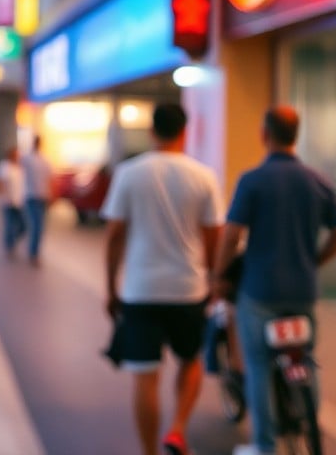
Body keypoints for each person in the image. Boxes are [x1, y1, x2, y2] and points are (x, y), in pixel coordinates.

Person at [214, 106, 336, 455]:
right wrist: (315, 260)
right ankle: (310, 426)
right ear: (296, 135)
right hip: (303, 292)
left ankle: (264, 444)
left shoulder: (253, 180)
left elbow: (231, 236)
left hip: (260, 293)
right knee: (305, 357)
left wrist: (218, 276)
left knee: (259, 364)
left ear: (265, 134)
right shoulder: (318, 180)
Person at [101, 104, 225, 455]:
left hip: (140, 291)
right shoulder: (204, 176)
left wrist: (111, 288)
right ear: (185, 132)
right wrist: (213, 278)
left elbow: (114, 236)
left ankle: (149, 452)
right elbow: (214, 234)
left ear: (153, 132)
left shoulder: (129, 173)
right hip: (189, 289)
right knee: (190, 360)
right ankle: (177, 429)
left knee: (145, 376)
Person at [23, 136, 54, 266]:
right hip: (32, 196)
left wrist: (51, 194)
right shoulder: (28, 159)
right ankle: (33, 252)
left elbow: (50, 179)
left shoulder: (42, 160)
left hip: (40, 197)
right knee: (37, 226)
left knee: (38, 226)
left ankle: (34, 252)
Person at [0, 146, 27, 257]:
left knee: (23, 225)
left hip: (20, 201)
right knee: (9, 225)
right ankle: (9, 246)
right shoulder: (4, 167)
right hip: (8, 201)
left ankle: (12, 238)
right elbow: (0, 182)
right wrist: (4, 195)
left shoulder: (20, 167)